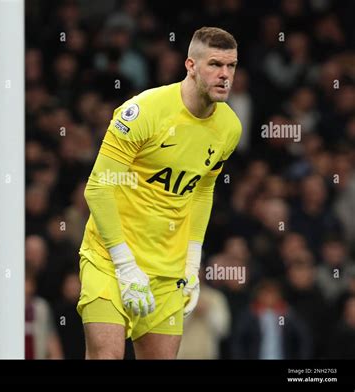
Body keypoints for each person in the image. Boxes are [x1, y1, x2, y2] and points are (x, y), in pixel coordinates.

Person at [77, 26, 242, 359]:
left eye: (231, 66)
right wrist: (125, 265)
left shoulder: (229, 128)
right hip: (109, 261)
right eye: (214, 64)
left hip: (168, 271)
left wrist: (193, 261)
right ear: (190, 66)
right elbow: (97, 188)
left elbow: (202, 191)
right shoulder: (143, 112)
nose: (225, 75)